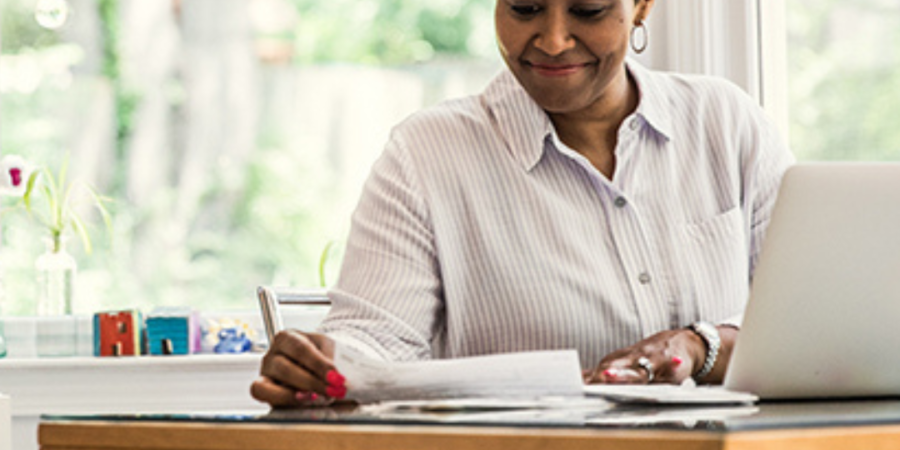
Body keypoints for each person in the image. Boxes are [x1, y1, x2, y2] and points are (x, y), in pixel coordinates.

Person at [251, 0, 794, 407]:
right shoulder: (426, 155)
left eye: (588, 10)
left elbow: (809, 331)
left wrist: (699, 347)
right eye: (525, 7)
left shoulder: (727, 124)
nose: (554, 40)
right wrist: (322, 365)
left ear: (642, 6)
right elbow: (376, 344)